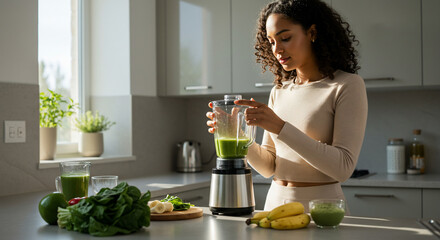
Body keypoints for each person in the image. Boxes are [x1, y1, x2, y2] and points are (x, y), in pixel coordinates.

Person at [206, 0, 367, 212]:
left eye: (285, 38)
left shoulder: (346, 85)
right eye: (271, 42)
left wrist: (280, 127)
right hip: (275, 204)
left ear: (312, 33)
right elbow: (268, 167)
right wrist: (238, 135)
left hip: (322, 208)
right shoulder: (279, 90)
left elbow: (343, 168)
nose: (277, 49)